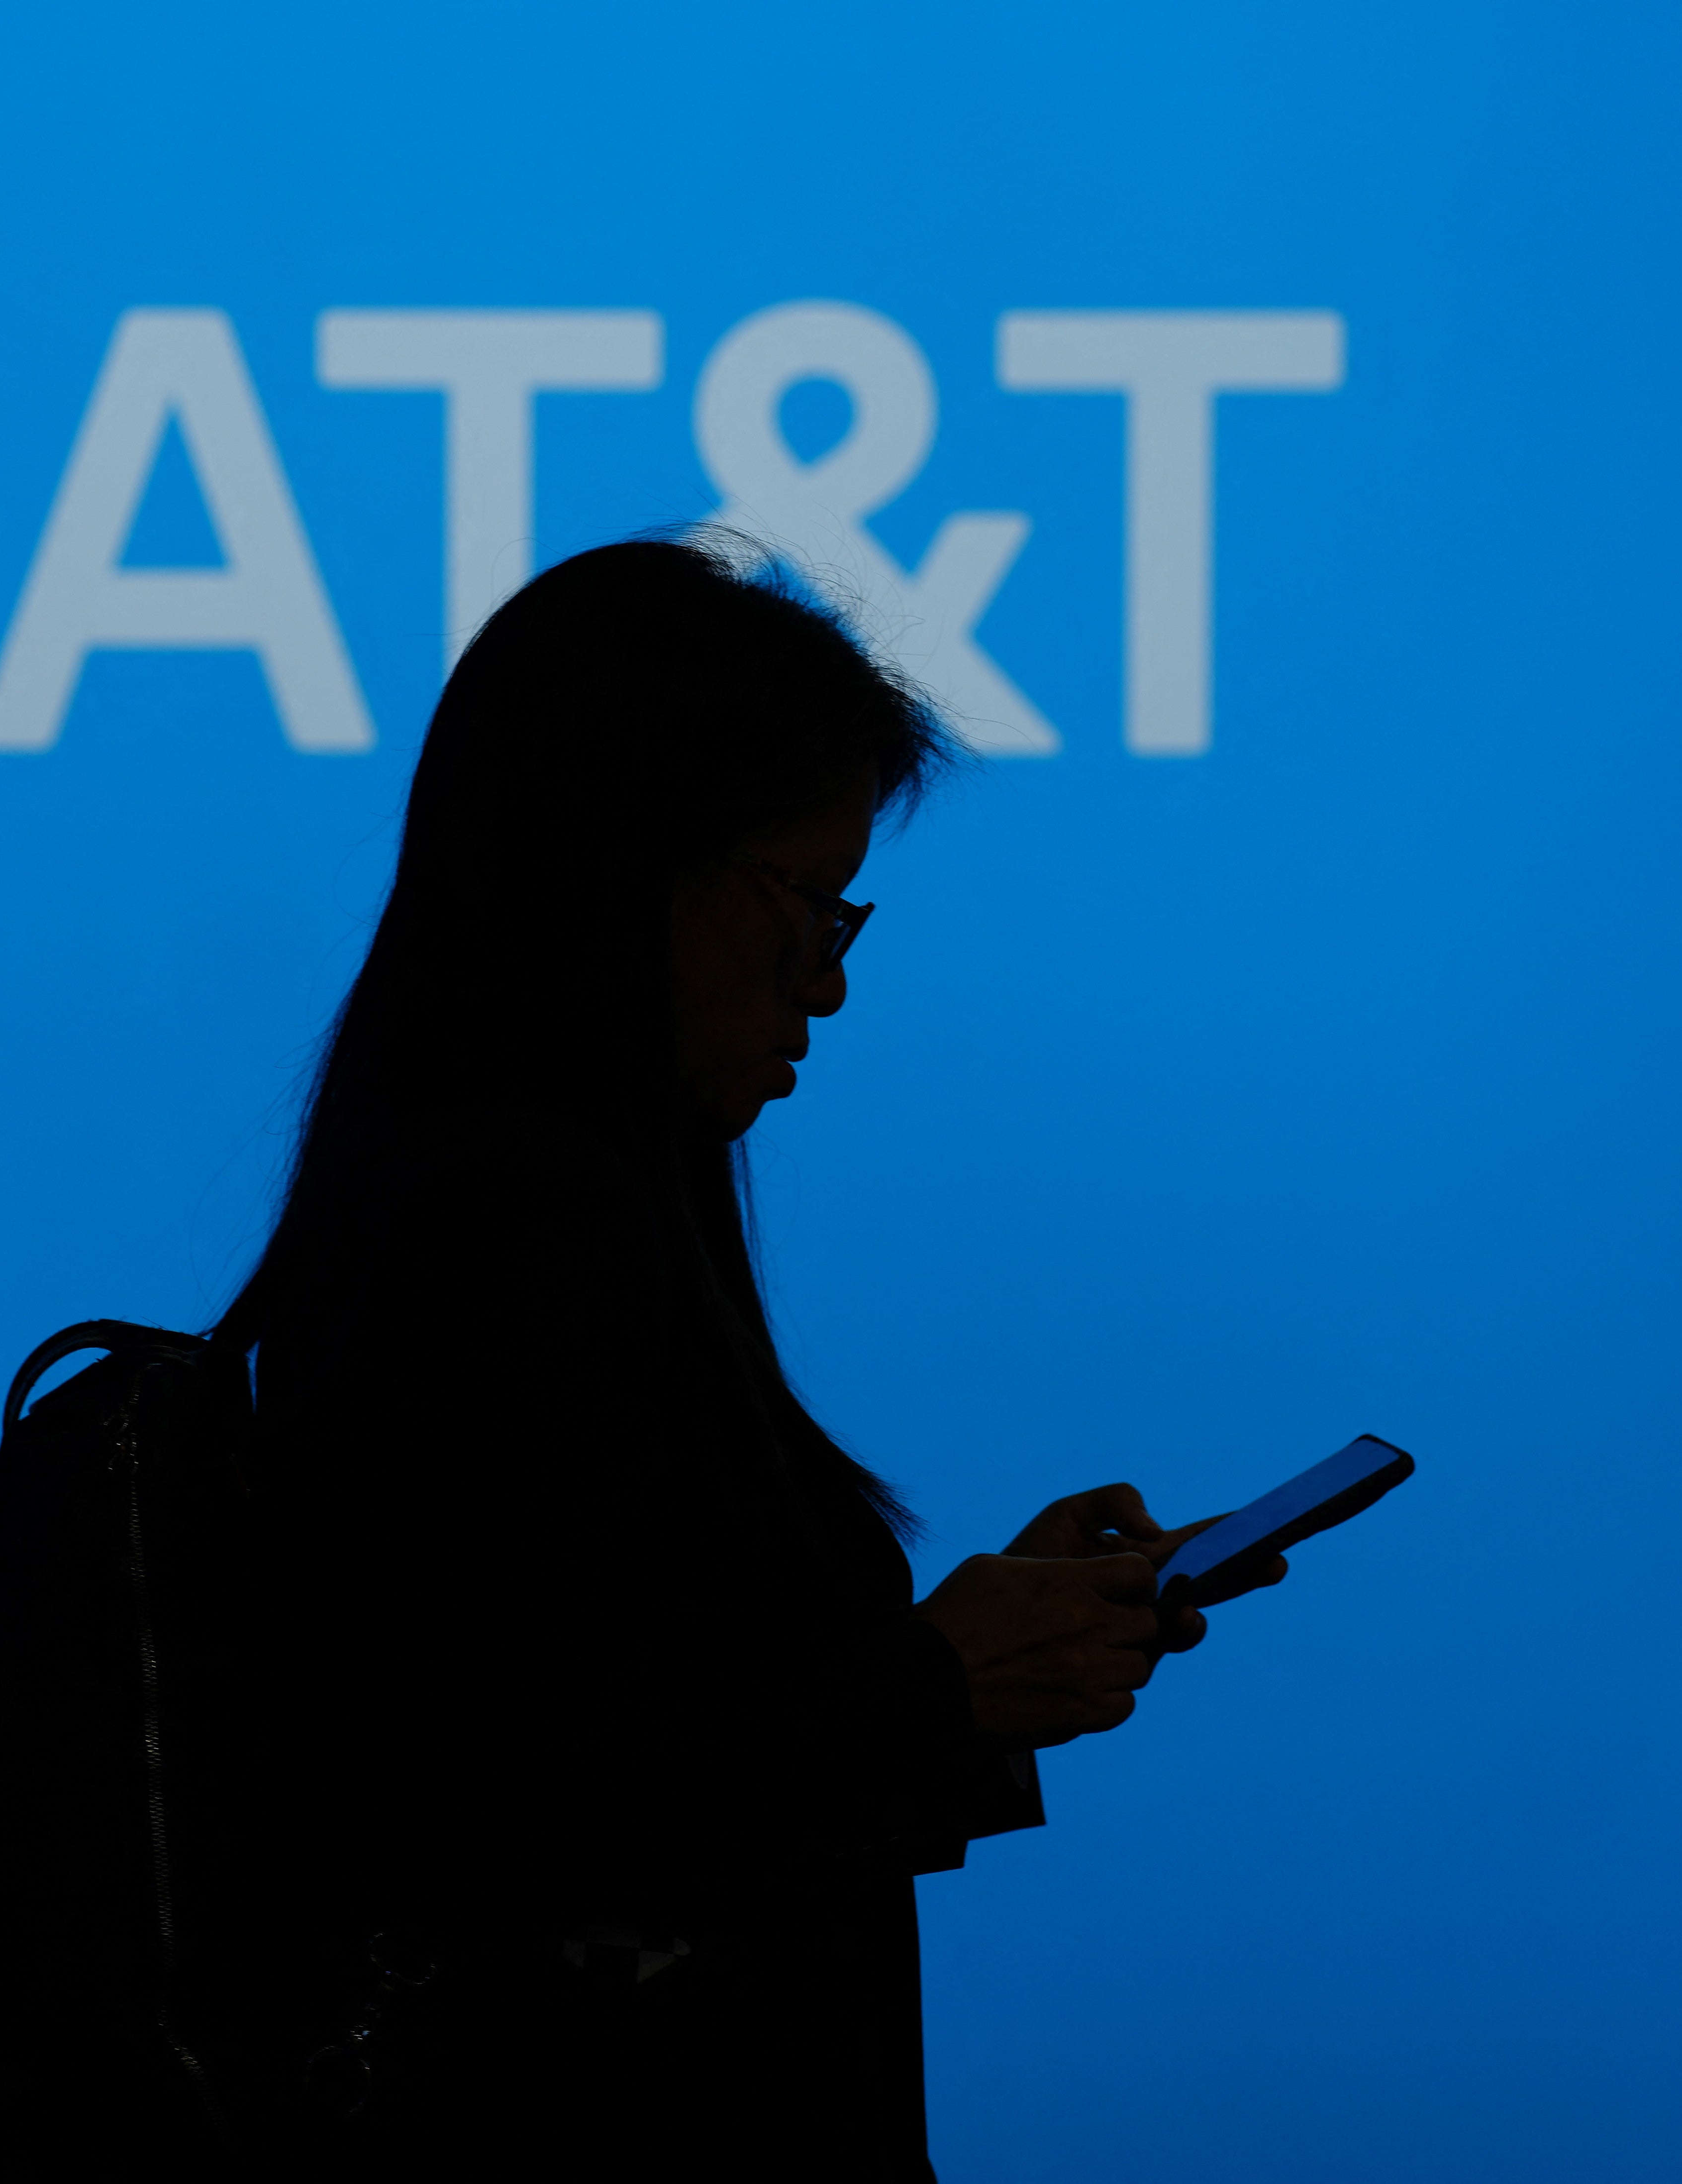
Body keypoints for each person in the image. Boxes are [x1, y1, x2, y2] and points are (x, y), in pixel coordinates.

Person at [222, 533, 1286, 2180]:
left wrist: (967, 1671)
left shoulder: (492, 1192)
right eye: (800, 903)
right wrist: (939, 1679)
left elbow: (641, 1729)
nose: (831, 985)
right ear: (619, 872)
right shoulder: (505, 1218)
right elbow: (528, 1811)